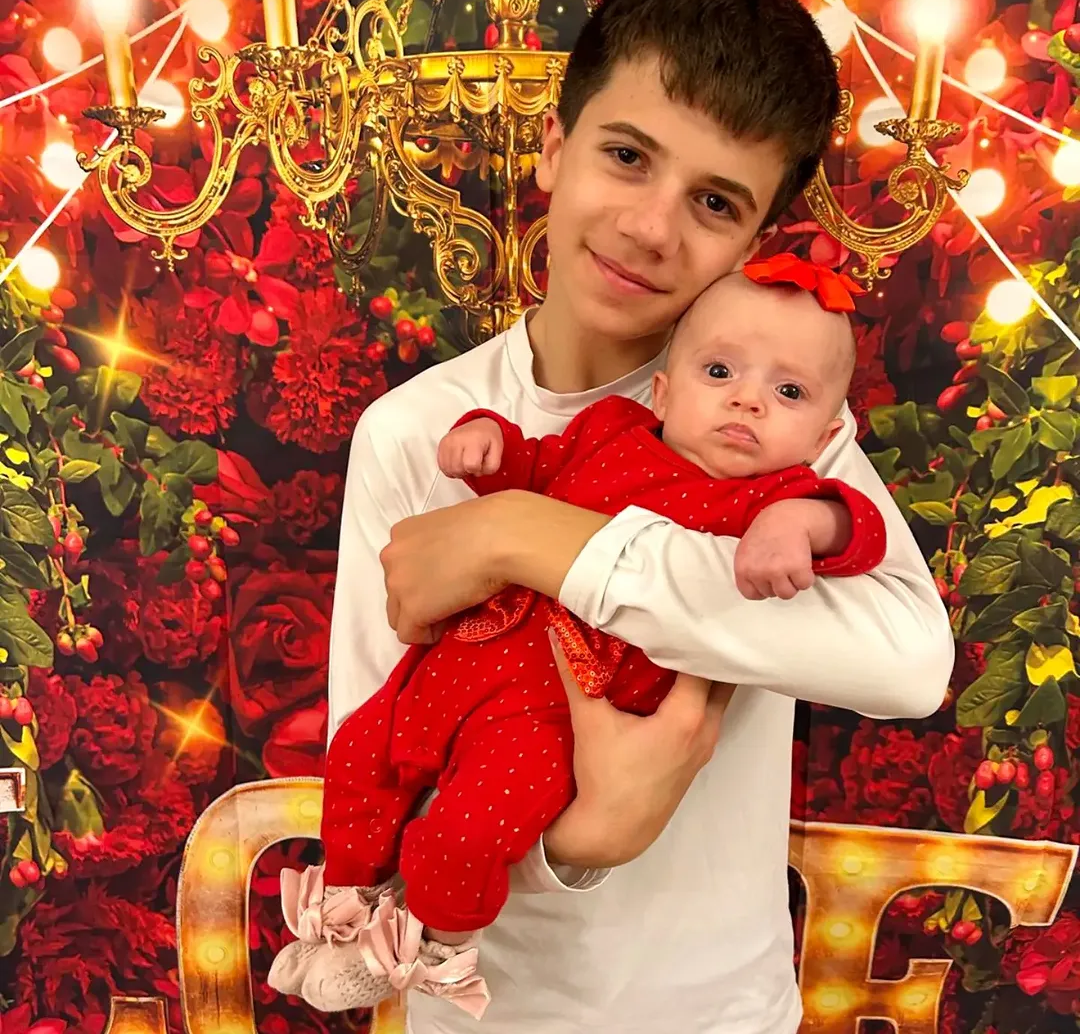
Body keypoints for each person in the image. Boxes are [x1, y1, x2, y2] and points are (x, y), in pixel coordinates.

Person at [297, 0, 955, 1031]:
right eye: (627, 156)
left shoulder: (763, 426)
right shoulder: (418, 431)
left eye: (714, 202)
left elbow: (909, 661)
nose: (653, 228)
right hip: (482, 1016)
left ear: (754, 246)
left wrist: (524, 536)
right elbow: (378, 758)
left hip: (721, 1014)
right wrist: (584, 841)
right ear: (555, 147)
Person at [271, 263, 889, 1017]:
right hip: (459, 661)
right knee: (358, 756)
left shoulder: (769, 495)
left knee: (465, 830)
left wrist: (803, 524)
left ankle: (434, 949)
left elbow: (860, 529)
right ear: (663, 392)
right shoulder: (611, 431)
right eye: (719, 372)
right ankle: (345, 910)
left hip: (549, 715)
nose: (747, 399)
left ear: (825, 436)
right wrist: (488, 442)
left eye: (788, 392)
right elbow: (536, 464)